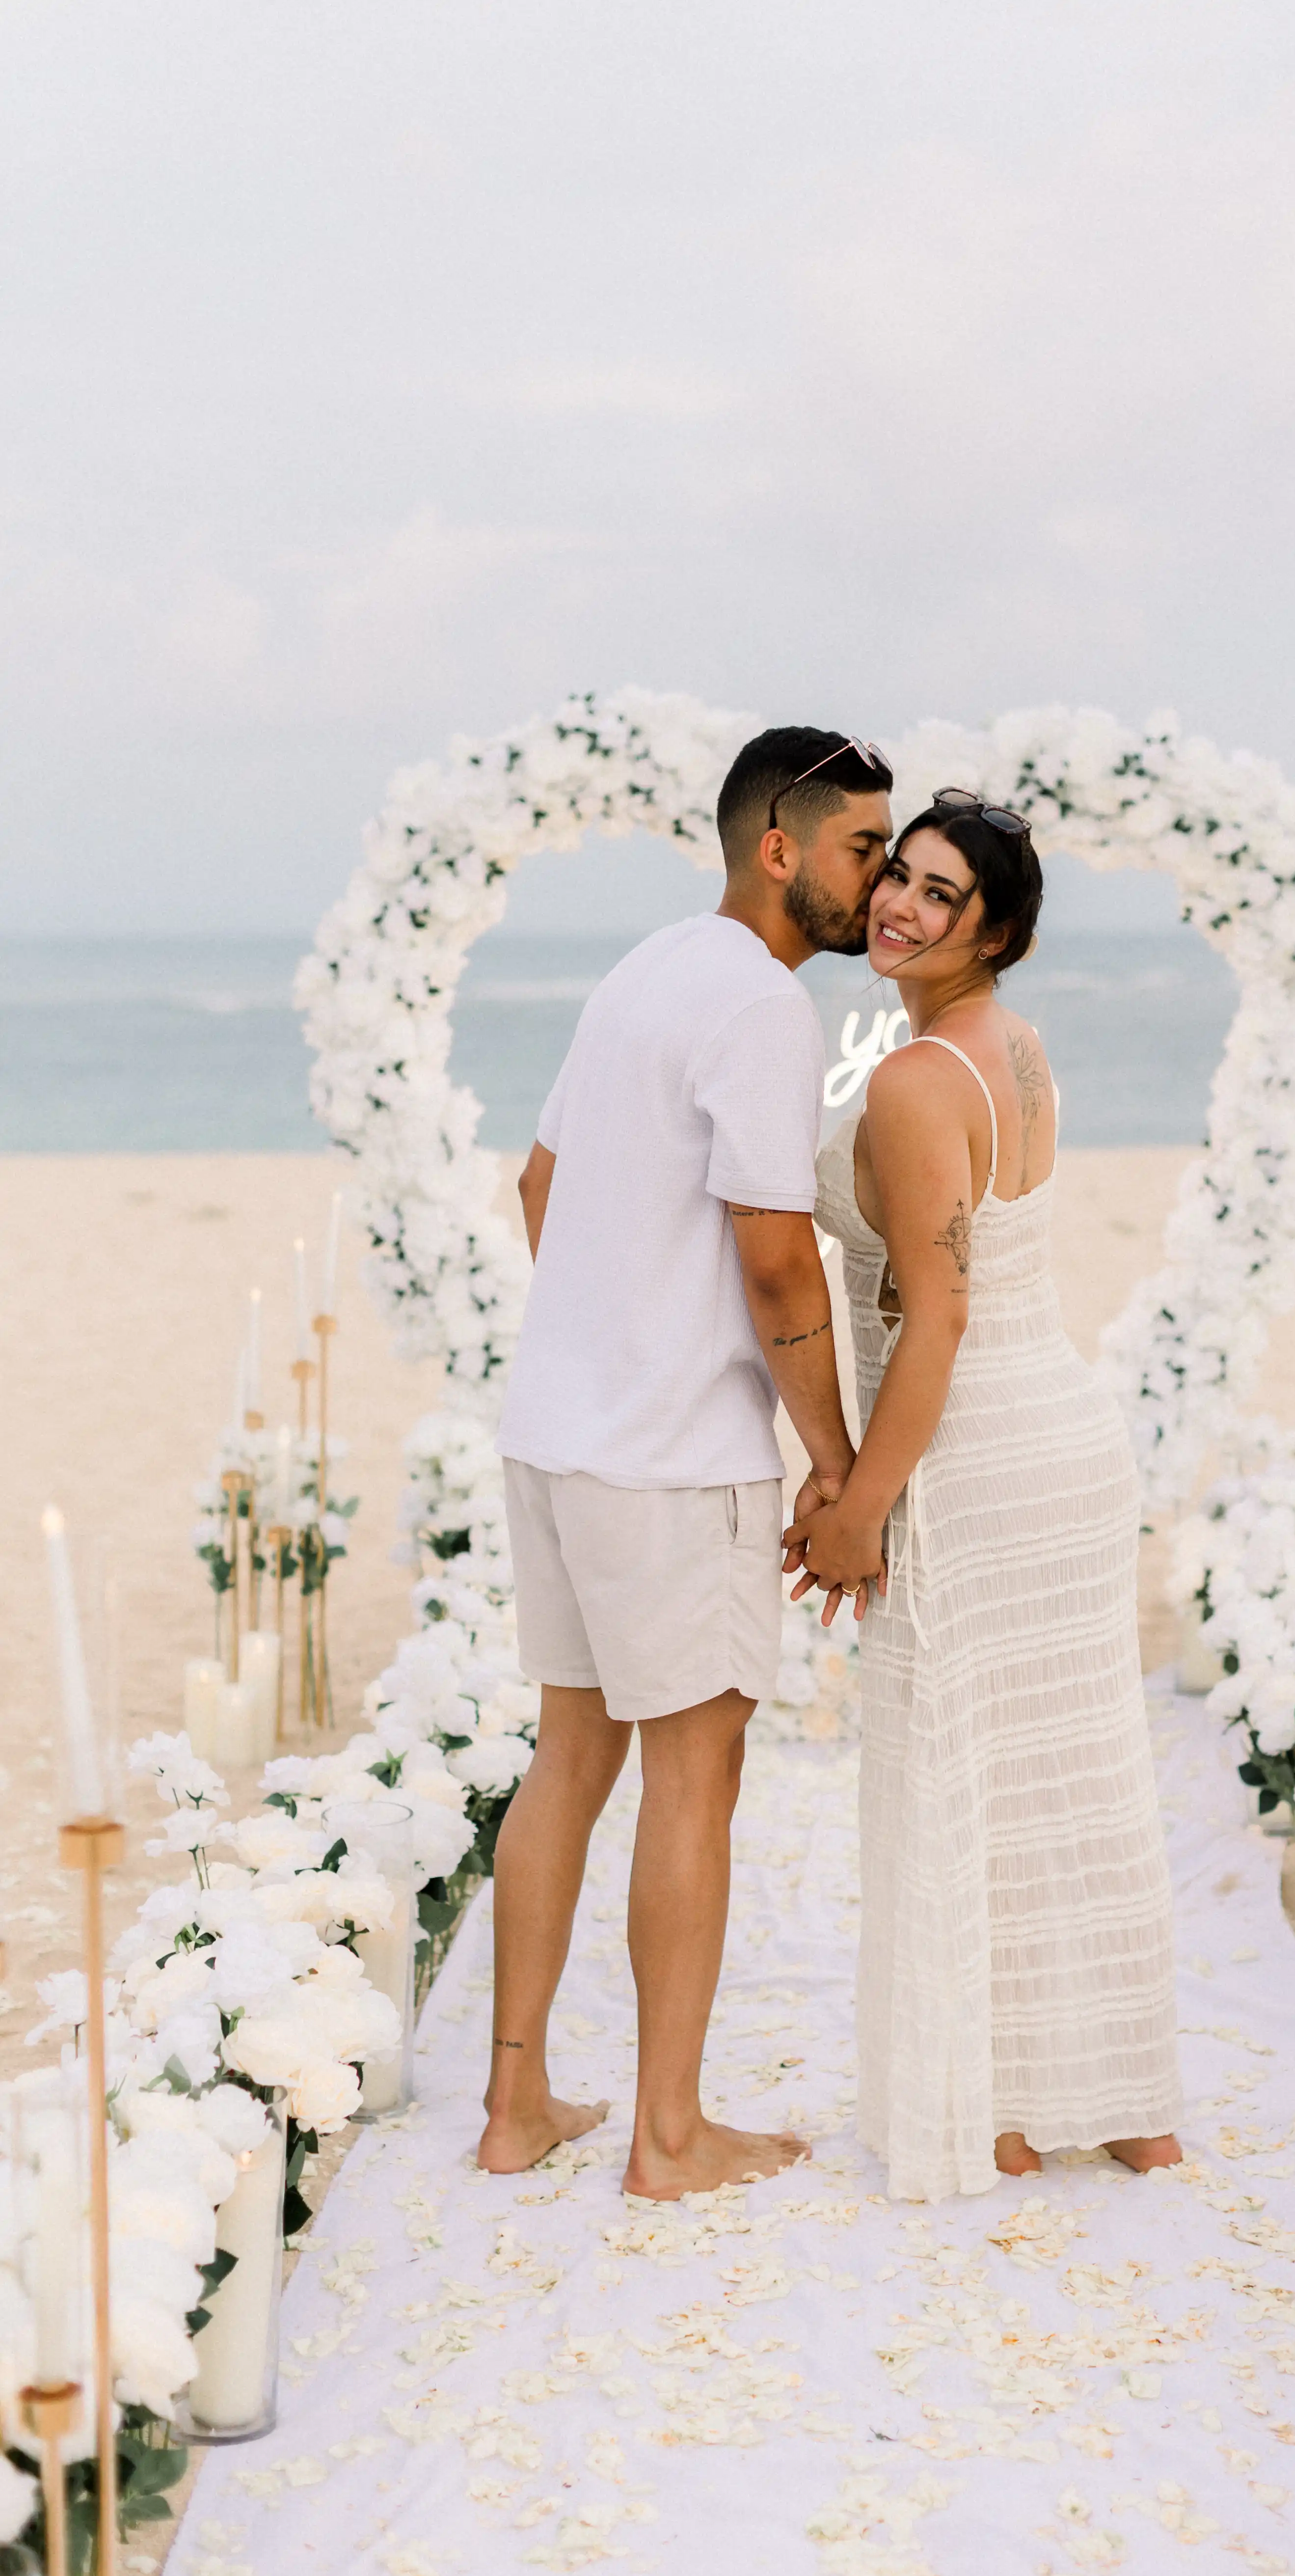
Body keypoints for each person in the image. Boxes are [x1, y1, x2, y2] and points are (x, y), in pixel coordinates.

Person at [480, 727, 893, 2194]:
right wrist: (836, 1463)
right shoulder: (766, 1007)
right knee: (694, 1778)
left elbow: (540, 1182)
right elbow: (777, 1258)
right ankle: (668, 2135)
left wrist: (611, 1330)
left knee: (567, 1759)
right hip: (670, 1460)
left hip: (558, 1435)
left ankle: (514, 2109)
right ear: (780, 848)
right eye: (863, 849)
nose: (881, 880)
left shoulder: (646, 969)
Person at [795, 793, 1183, 2202]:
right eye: (898, 876)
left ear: (997, 932)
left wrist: (858, 1505)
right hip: (1060, 1435)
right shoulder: (1014, 1048)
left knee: (970, 1779)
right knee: (1071, 1780)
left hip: (970, 1456)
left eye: (939, 895)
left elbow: (937, 1319)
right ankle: (1120, 2100)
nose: (899, 905)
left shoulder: (914, 1081)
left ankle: (1001, 2107)